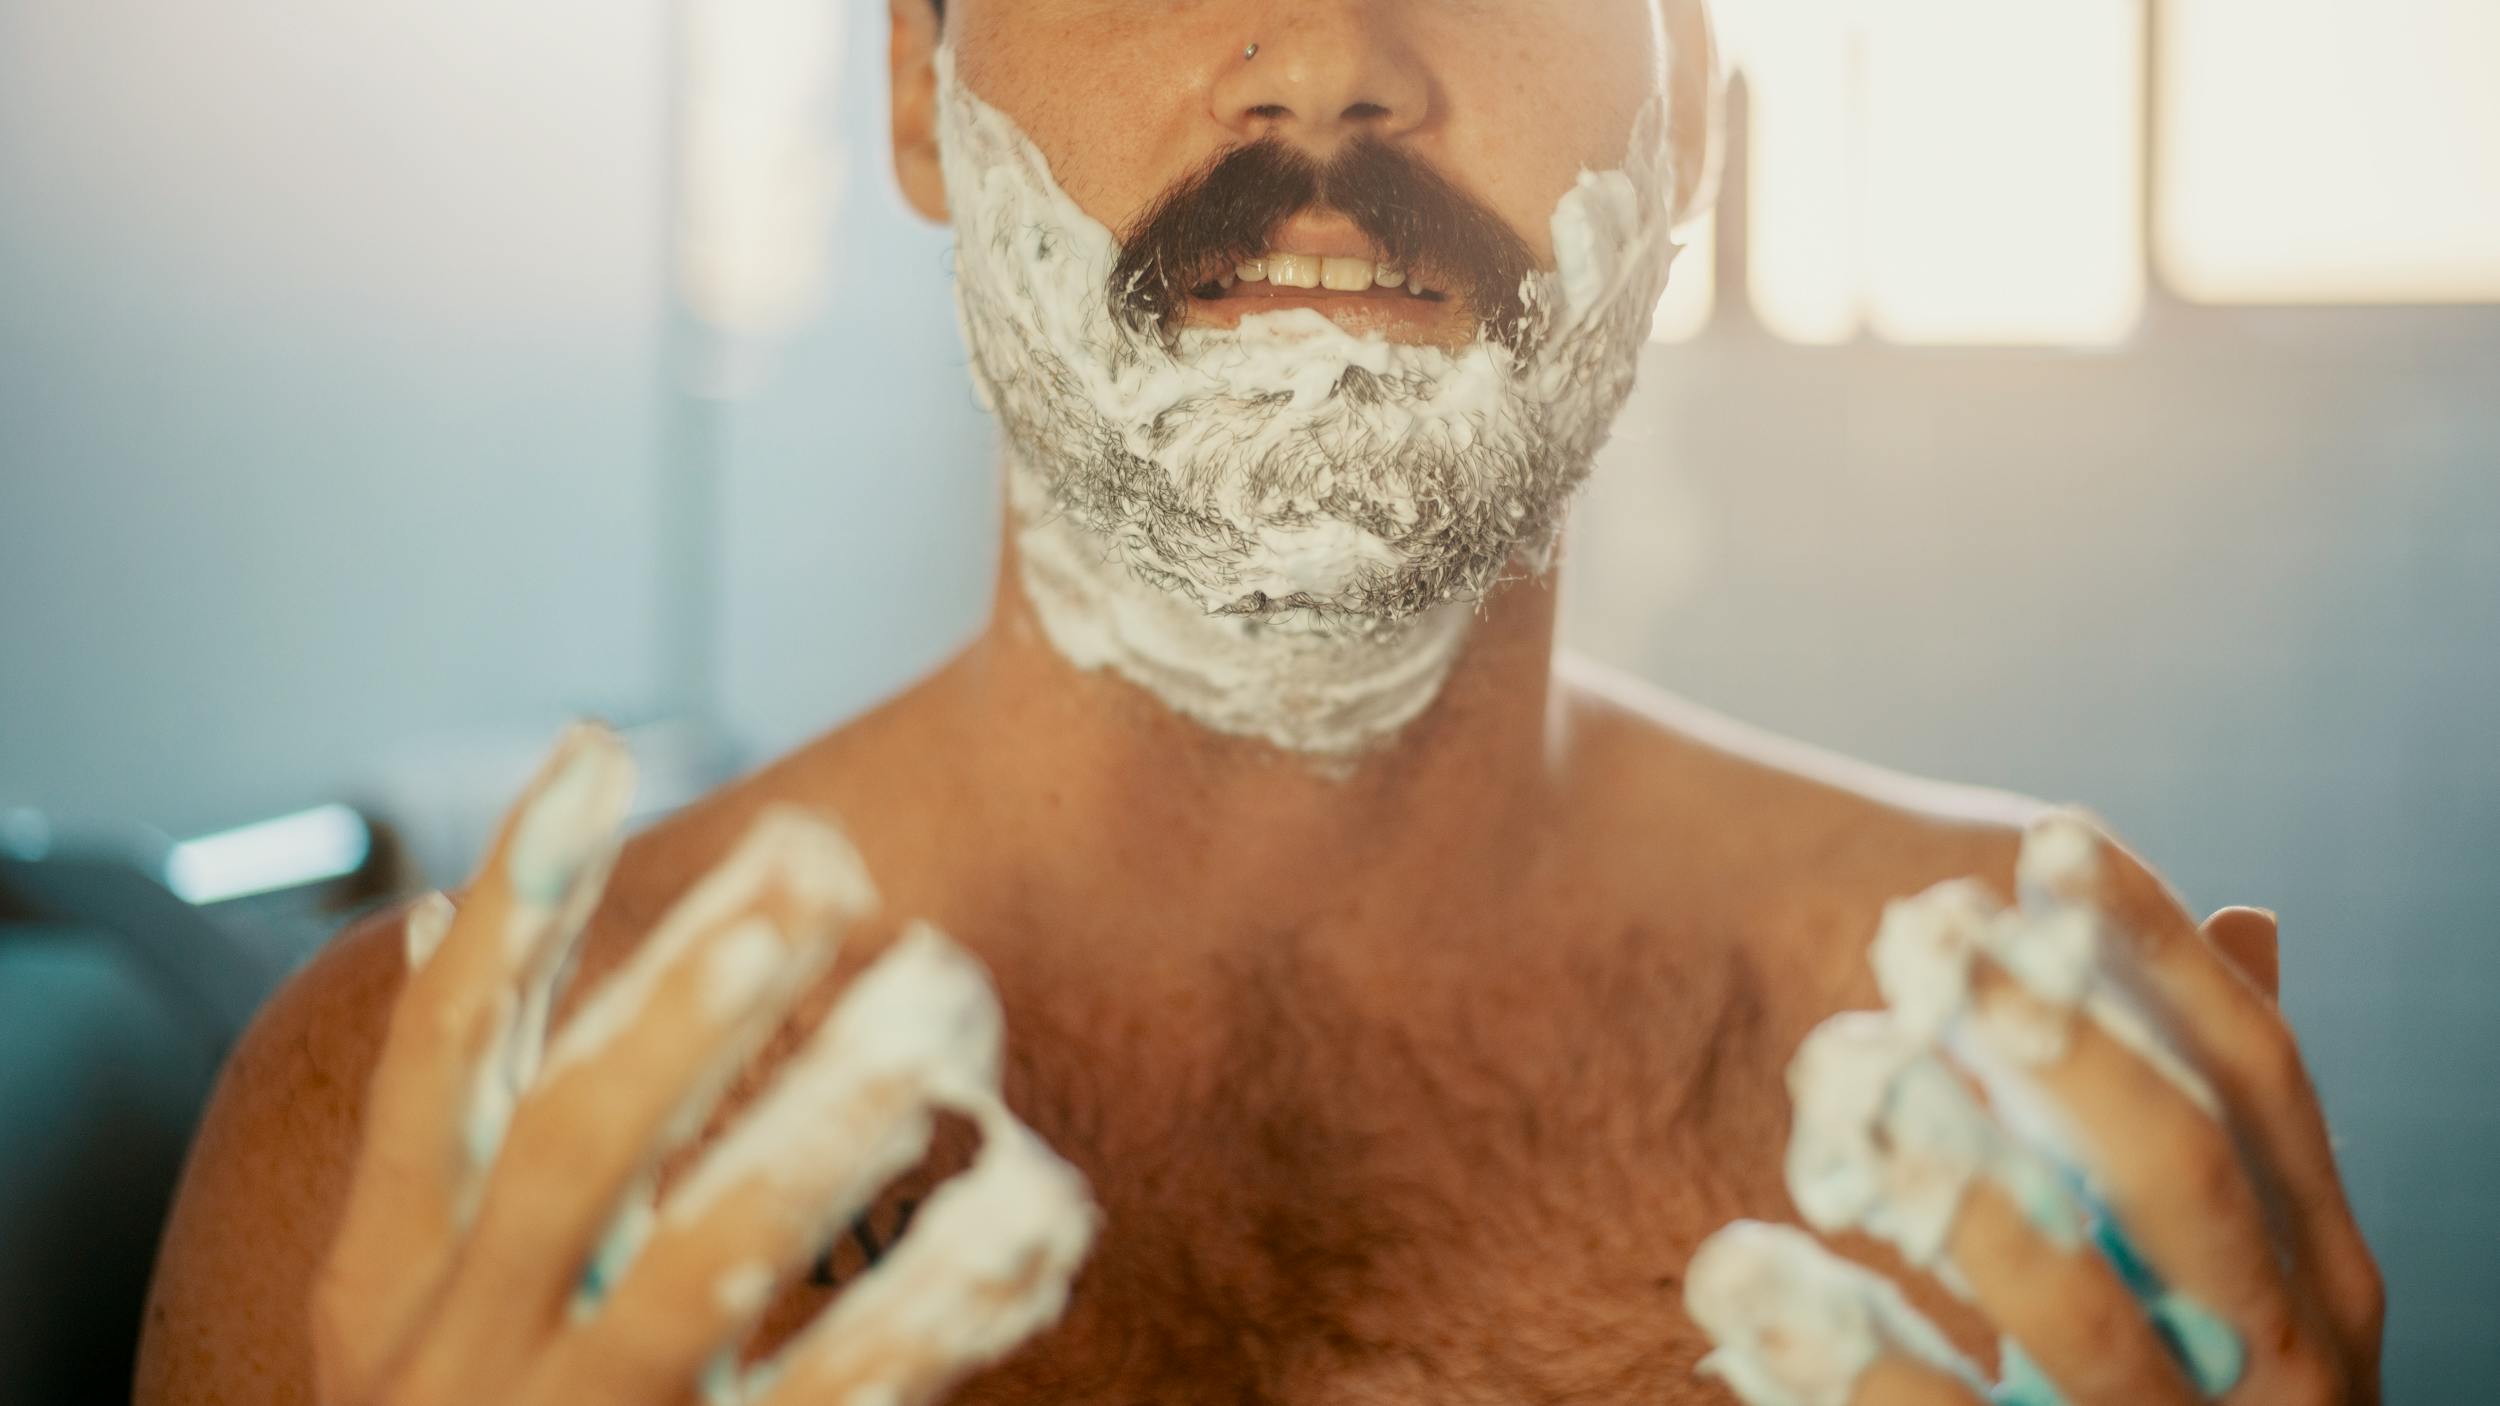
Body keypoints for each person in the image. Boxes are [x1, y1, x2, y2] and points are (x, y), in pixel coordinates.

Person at [135, 1, 2384, 1403]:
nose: (1326, 49)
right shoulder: (422, 1137)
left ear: (1683, 107)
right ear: (919, 86)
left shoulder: (2009, 1059)